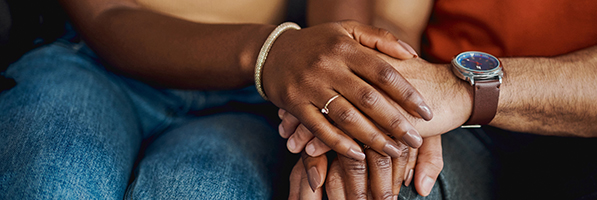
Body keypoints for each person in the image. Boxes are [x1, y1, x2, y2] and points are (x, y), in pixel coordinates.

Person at [284, 0, 597, 199]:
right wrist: (384, 95)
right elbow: (391, 16)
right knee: (365, 180)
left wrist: (464, 91)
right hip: (453, 133)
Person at [0, 0, 432, 199]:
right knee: (51, 180)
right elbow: (105, 13)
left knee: (200, 191)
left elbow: (364, 20)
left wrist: (342, 102)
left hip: (250, 99)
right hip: (91, 62)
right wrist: (271, 53)